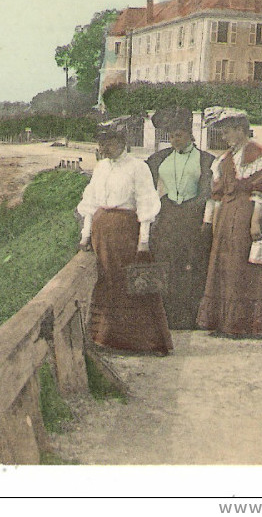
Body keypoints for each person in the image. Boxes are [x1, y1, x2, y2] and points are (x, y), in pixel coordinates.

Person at [197, 108, 262, 337]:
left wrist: (256, 223)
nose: (224, 137)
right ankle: (227, 321)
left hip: (247, 216)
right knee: (227, 266)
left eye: (228, 132)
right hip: (226, 216)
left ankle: (251, 322)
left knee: (247, 265)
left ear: (240, 130)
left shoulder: (259, 156)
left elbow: (261, 192)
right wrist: (209, 222)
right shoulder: (224, 160)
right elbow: (216, 195)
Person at [77, 127, 172, 354]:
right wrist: (86, 235)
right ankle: (105, 338)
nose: (103, 149)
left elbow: (146, 203)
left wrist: (144, 241)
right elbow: (90, 204)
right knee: (105, 282)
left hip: (126, 233)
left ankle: (137, 342)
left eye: (107, 144)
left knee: (128, 283)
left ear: (120, 143)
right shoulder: (100, 167)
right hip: (102, 232)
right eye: (100, 145)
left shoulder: (137, 167)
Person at [145, 107, 216, 329]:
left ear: (190, 135)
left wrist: (206, 220)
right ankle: (169, 315)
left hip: (193, 216)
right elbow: (149, 190)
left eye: (180, 135)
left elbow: (210, 194)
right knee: (167, 264)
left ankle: (192, 316)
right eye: (173, 136)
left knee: (193, 265)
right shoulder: (159, 159)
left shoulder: (206, 160)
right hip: (168, 217)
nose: (176, 140)